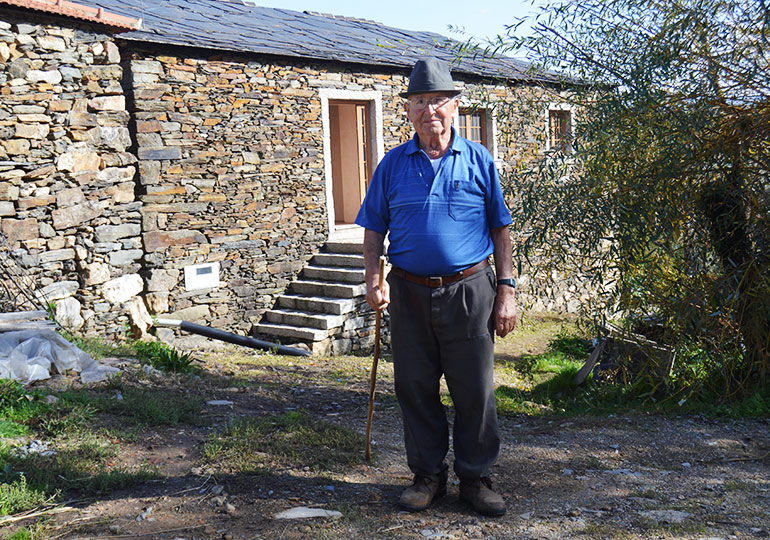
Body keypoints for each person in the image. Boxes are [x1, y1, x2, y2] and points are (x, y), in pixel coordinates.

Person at [355, 57, 517, 517]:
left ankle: (476, 478)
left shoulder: (480, 160)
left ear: (455, 106)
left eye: (439, 100)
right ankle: (427, 477)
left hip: (470, 290)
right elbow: (372, 230)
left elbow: (500, 230)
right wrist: (373, 278)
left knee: (474, 390)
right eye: (421, 101)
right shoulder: (391, 165)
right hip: (408, 293)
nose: (430, 110)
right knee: (414, 385)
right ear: (408, 110)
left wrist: (506, 290)